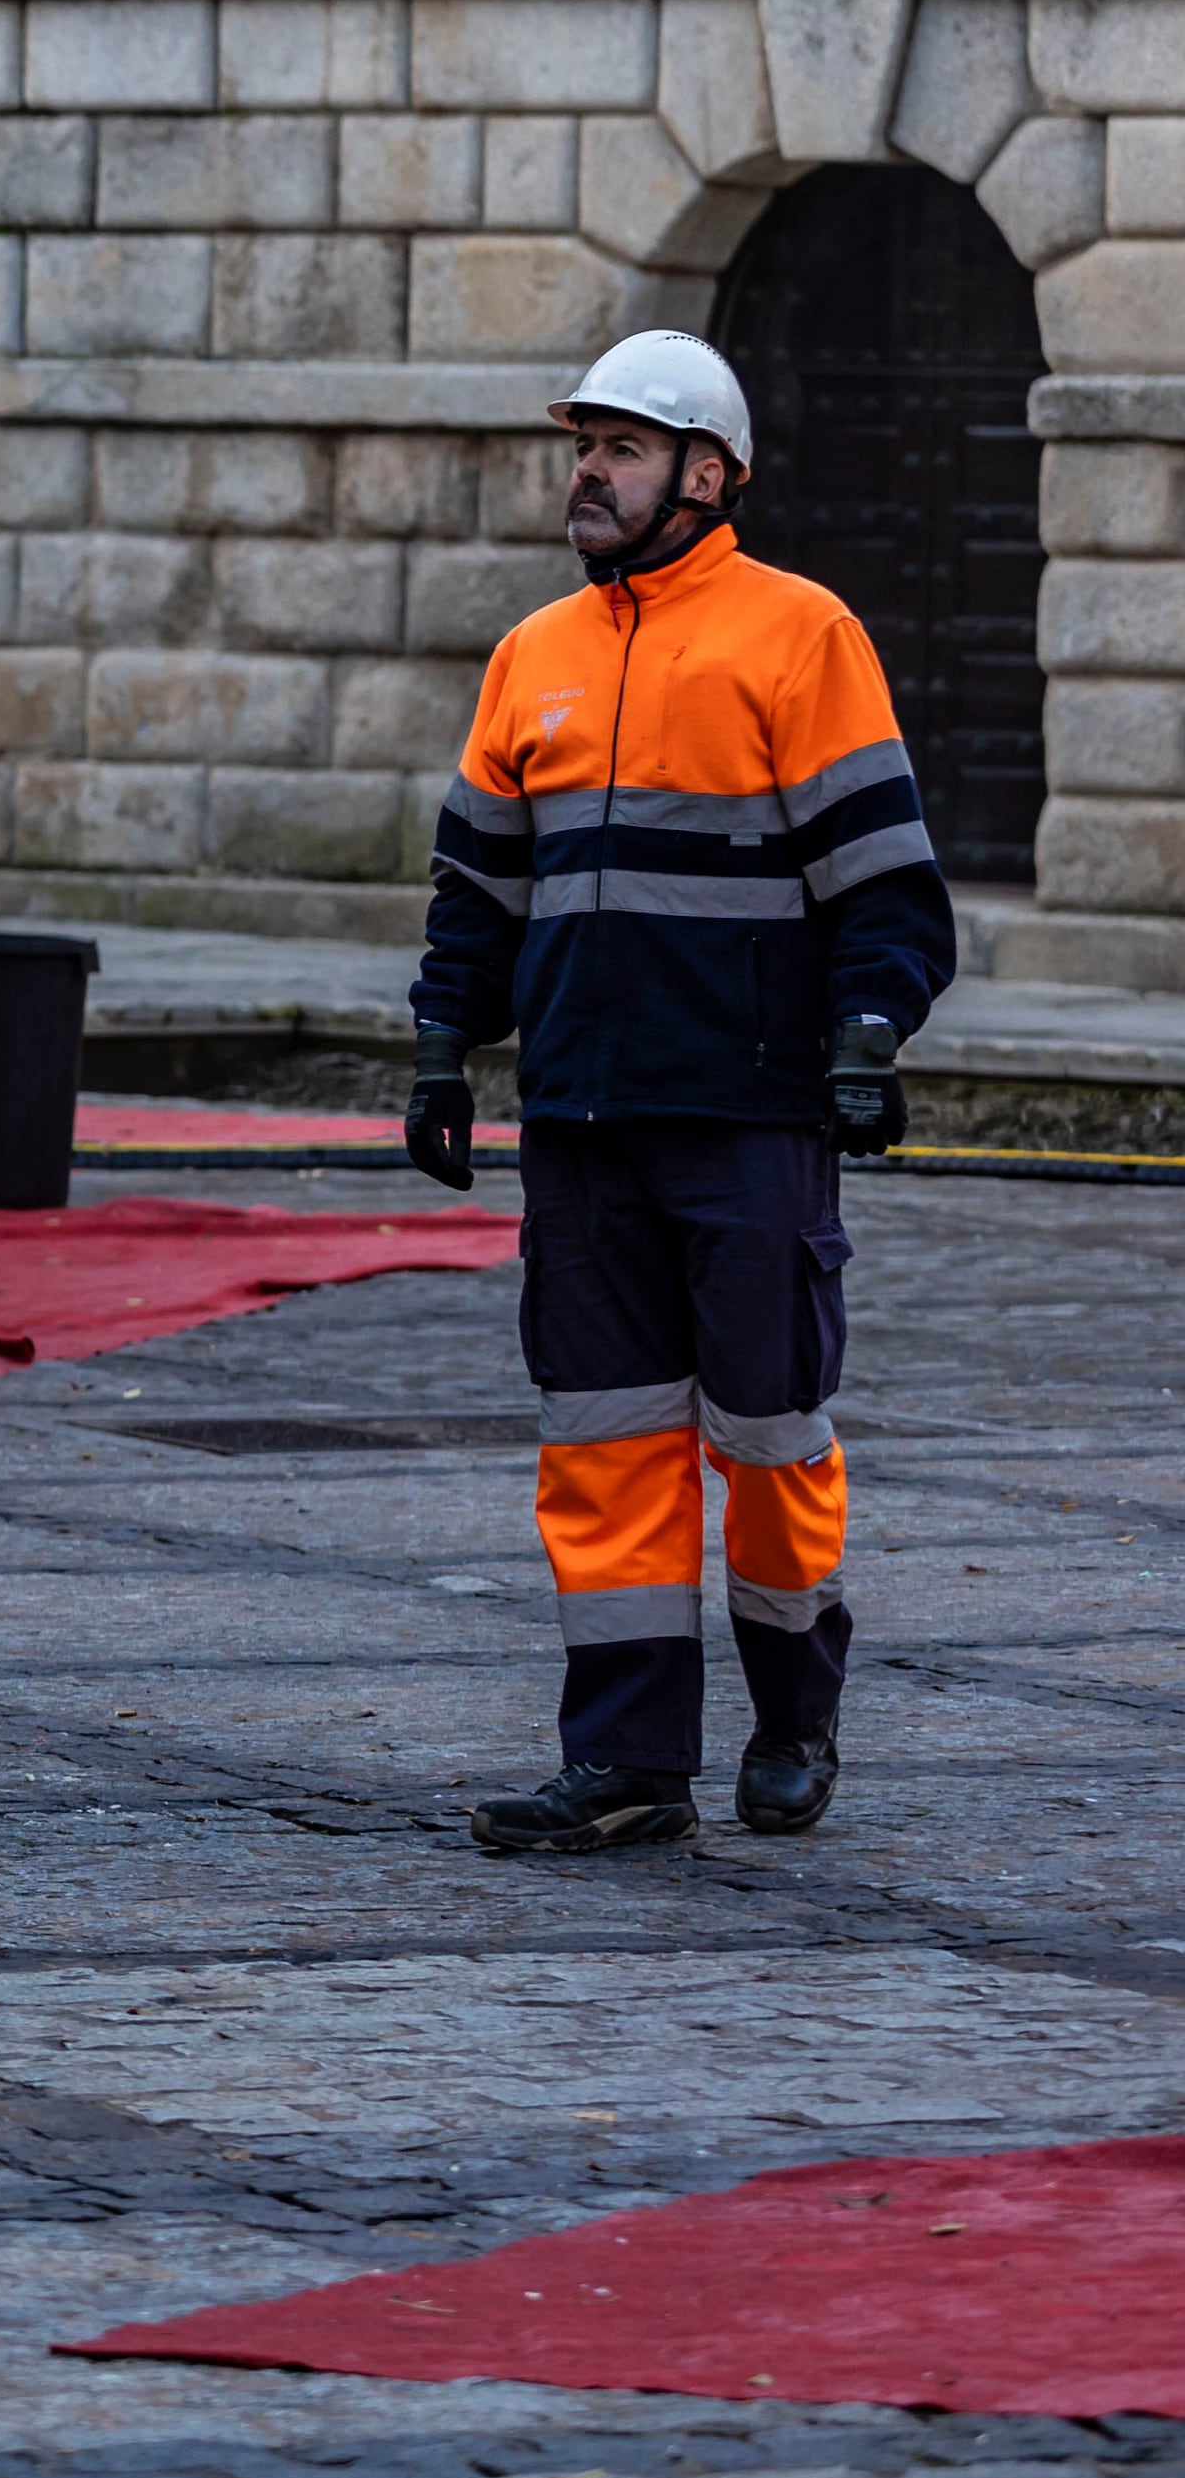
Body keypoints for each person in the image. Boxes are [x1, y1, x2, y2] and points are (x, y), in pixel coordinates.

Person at [403, 331, 953, 1852]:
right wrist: (447, 1052)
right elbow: (476, 895)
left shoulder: (800, 633)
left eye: (623, 447)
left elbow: (890, 887)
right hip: (582, 1124)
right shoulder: (532, 654)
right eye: (583, 444)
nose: (588, 470)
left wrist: (863, 1040)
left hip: (750, 1115)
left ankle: (793, 1712)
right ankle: (631, 1763)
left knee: (770, 1432)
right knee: (604, 1452)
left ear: (706, 476)